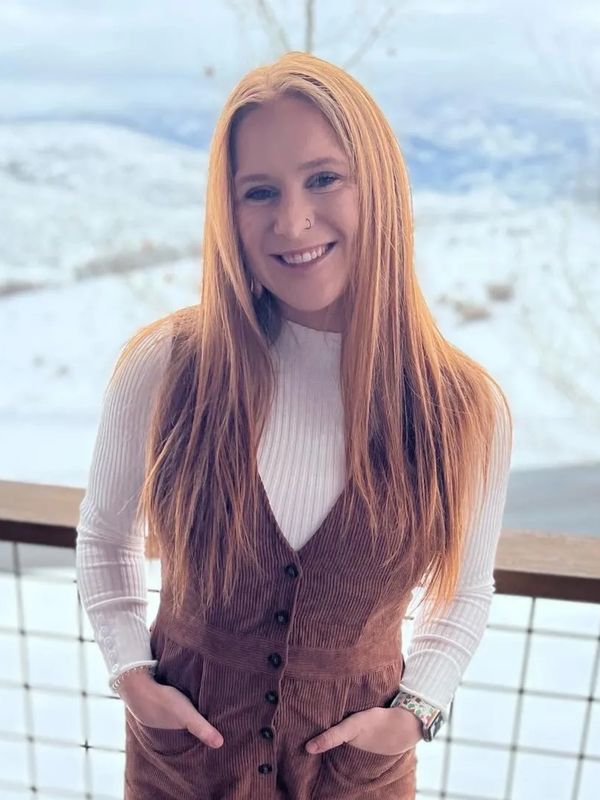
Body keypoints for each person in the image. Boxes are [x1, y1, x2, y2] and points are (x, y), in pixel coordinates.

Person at [75, 50, 513, 800]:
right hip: (182, 769)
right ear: (229, 213)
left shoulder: (462, 407)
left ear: (377, 185)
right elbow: (105, 534)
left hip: (354, 780)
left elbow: (465, 592)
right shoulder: (168, 365)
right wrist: (131, 673)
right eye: (258, 192)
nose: (292, 220)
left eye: (322, 179)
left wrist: (415, 713)